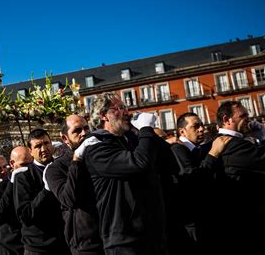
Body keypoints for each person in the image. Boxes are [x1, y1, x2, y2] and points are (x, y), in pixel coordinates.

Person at [76, 92, 167, 254]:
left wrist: (145, 132)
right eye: (119, 108)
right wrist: (146, 129)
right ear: (104, 115)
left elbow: (168, 161)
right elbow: (140, 163)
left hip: (151, 233)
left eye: (126, 107)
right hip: (124, 240)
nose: (127, 112)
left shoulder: (131, 139)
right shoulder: (96, 147)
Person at [211, 101, 265, 255]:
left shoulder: (237, 141)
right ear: (227, 119)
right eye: (243, 116)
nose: (249, 119)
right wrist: (264, 138)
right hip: (255, 221)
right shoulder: (232, 144)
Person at [169, 112, 231, 254]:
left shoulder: (197, 150)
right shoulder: (177, 149)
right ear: (182, 131)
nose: (202, 129)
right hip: (193, 225)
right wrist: (213, 154)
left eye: (202, 125)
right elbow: (194, 180)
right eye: (195, 126)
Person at [43, 114, 104, 254]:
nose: (84, 133)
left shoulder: (100, 156)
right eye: (77, 130)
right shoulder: (55, 169)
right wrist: (77, 161)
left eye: (86, 128)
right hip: (86, 244)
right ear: (65, 139)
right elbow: (68, 199)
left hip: (113, 235)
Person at [13, 129, 69, 254]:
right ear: (30, 151)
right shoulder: (23, 177)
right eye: (38, 146)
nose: (44, 149)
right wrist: (46, 190)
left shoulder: (64, 168)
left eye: (46, 143)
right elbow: (25, 215)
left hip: (66, 243)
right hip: (39, 247)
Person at [0, 147, 31, 255]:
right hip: (12, 246)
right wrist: (12, 183)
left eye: (30, 164)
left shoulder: (35, 177)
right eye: (24, 165)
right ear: (12, 163)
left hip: (34, 243)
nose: (27, 169)